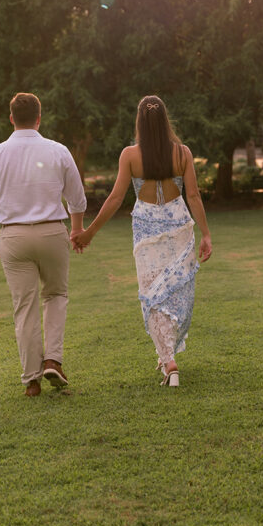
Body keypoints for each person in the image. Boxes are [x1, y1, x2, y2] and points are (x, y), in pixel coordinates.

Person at [72, 95, 211, 387]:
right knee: (176, 292)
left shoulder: (130, 155)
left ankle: (169, 360)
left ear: (139, 122)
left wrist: (89, 233)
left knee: (153, 295)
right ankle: (168, 356)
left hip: (146, 231)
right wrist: (206, 234)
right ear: (164, 120)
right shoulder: (182, 153)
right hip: (179, 227)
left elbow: (115, 198)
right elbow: (194, 196)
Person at [0, 92, 87, 397]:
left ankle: (31, 380)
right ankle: (53, 359)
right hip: (52, 233)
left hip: (13, 235)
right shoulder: (58, 151)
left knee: (24, 306)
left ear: (11, 118)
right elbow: (77, 198)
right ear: (39, 117)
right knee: (56, 295)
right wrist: (76, 230)